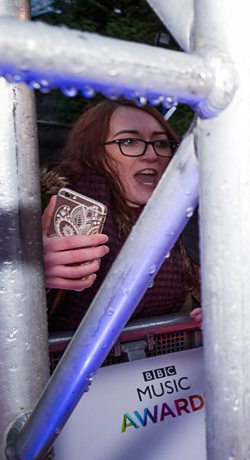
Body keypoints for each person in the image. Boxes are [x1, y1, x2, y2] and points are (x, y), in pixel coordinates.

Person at [42, 100, 200, 332]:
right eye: (129, 141)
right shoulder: (48, 213)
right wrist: (29, 276)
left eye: (161, 143)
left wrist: (215, 309)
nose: (151, 155)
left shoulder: (186, 214)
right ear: (93, 152)